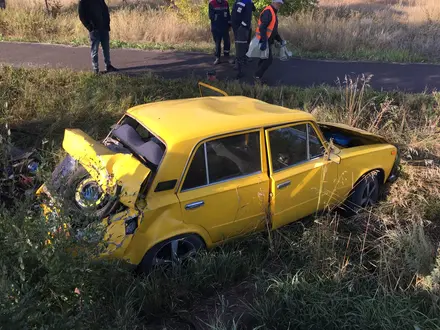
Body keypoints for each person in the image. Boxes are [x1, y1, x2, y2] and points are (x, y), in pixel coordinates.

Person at [78, 0, 118, 74]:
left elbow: (106, 11)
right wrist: (89, 27)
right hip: (94, 30)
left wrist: (107, 23)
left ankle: (108, 66)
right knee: (95, 49)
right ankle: (95, 69)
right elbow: (81, 16)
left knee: (106, 48)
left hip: (104, 28)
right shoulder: (83, 2)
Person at [254, 0, 285, 82]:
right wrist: (264, 42)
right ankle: (257, 76)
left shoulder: (273, 12)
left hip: (267, 40)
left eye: (280, 4)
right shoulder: (268, 11)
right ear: (273, 2)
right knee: (268, 59)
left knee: (263, 58)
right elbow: (262, 28)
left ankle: (257, 76)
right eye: (278, 3)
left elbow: (273, 30)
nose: (279, 5)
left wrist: (279, 40)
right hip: (263, 39)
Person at [231, 0, 255, 79]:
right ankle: (240, 61)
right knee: (240, 45)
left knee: (241, 46)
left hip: (242, 28)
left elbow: (248, 16)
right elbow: (235, 13)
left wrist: (242, 26)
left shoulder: (247, 2)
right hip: (237, 27)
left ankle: (239, 69)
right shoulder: (237, 1)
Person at [209, 0, 232, 65]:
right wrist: (219, 15)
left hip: (225, 27)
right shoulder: (212, 3)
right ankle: (217, 58)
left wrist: (230, 25)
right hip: (216, 27)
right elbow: (211, 16)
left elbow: (228, 14)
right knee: (217, 43)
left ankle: (226, 57)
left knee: (227, 42)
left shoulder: (225, 2)